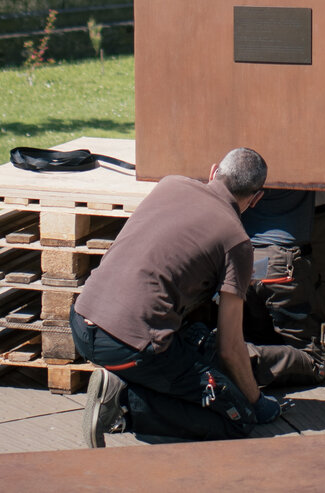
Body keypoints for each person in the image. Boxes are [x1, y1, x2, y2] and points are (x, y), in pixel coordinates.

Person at [73, 148, 283, 445]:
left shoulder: (170, 183)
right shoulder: (237, 242)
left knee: (197, 340)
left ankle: (127, 383)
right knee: (237, 418)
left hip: (82, 322)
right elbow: (230, 346)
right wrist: (256, 402)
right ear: (256, 197)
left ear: (213, 172)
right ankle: (122, 403)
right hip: (128, 348)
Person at [237, 188, 325, 387]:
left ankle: (232, 353)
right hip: (280, 264)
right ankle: (232, 360)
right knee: (316, 363)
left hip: (246, 260)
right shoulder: (298, 169)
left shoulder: (245, 173)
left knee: (260, 335)